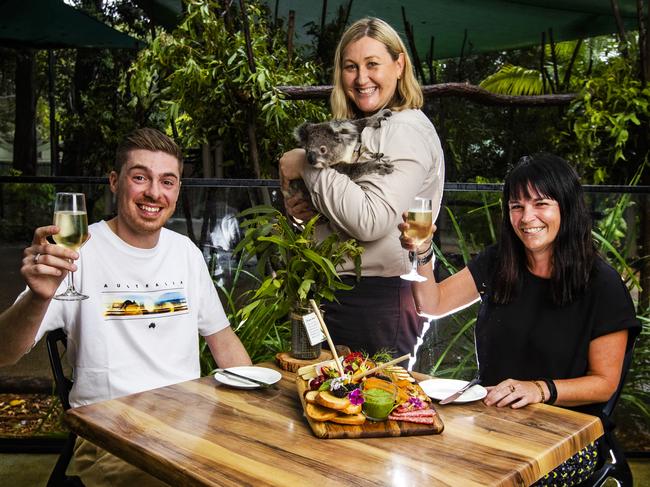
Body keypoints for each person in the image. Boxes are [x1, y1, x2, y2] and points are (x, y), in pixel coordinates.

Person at [0, 128, 252, 487]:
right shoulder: (76, 252)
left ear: (177, 190)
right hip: (110, 436)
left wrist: (256, 406)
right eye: (140, 177)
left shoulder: (185, 253)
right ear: (115, 182)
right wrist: (39, 297)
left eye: (167, 181)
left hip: (190, 431)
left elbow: (223, 341)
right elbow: (4, 352)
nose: (153, 192)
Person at [399, 153, 641, 486]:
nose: (527, 218)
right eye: (516, 206)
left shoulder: (602, 284)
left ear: (566, 208)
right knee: (416, 462)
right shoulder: (500, 261)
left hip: (566, 437)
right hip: (493, 420)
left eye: (541, 204)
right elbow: (432, 304)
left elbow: (604, 382)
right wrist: (421, 251)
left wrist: (539, 390)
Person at [279, 17, 445, 361]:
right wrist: (305, 212)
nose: (361, 78)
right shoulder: (359, 128)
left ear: (399, 64)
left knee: (374, 406)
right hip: (336, 290)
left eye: (373, 64)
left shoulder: (406, 128)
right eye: (350, 67)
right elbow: (338, 202)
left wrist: (307, 162)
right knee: (330, 406)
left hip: (376, 298)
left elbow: (370, 220)